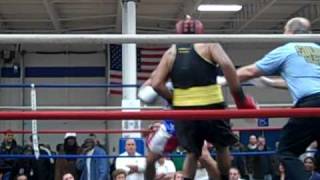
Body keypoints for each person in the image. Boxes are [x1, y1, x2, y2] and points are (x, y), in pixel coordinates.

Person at [150, 15, 256, 180]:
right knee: (222, 146)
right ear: (200, 30)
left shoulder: (171, 51)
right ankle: (225, 177)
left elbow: (156, 83)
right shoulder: (209, 44)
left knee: (192, 152)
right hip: (212, 105)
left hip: (184, 111)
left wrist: (174, 100)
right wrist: (240, 99)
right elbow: (227, 65)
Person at [233, 17, 320, 180]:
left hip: (310, 105)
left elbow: (249, 72)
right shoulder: (317, 48)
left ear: (289, 32)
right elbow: (306, 81)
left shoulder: (288, 49)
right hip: (315, 101)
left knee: (286, 151)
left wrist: (221, 80)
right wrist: (270, 82)